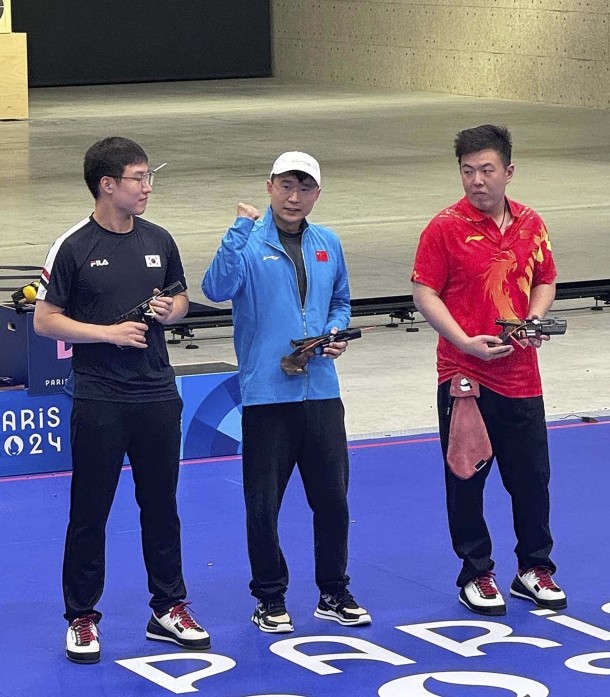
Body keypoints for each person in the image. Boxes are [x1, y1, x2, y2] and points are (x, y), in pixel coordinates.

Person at [33, 137, 210, 664]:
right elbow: (45, 320)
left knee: (162, 508)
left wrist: (171, 309)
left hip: (157, 393)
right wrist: (108, 334)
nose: (148, 186)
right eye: (139, 178)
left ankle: (169, 608)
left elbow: (179, 298)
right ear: (107, 185)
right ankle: (82, 617)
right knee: (90, 510)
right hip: (100, 398)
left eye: (149, 176)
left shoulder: (160, 238)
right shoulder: (72, 247)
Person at [202, 151, 371, 633]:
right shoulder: (248, 241)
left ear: (317, 193)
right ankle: (270, 598)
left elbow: (340, 298)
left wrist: (335, 331)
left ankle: (333, 591)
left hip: (320, 391)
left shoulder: (328, 242)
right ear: (270, 186)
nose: (294, 197)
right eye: (285, 186)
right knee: (263, 503)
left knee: (333, 500)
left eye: (305, 188)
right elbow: (216, 287)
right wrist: (237, 229)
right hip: (266, 395)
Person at [411, 124, 567, 617]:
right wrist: (463, 342)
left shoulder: (531, 223)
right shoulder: (443, 227)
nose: (476, 180)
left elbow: (545, 279)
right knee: (466, 475)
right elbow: (424, 292)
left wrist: (534, 321)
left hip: (522, 375)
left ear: (508, 172)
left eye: (486, 170)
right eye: (467, 171)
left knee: (531, 478)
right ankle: (476, 573)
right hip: (466, 377)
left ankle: (534, 568)